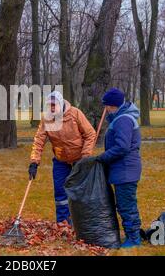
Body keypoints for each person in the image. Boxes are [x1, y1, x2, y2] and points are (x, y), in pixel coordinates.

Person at [29, 91, 96, 224]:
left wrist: (85, 156)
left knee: (79, 190)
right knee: (60, 191)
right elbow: (39, 140)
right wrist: (34, 162)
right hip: (60, 159)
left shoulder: (75, 114)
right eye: (49, 106)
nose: (52, 108)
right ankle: (63, 222)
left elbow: (90, 134)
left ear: (61, 104)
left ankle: (81, 221)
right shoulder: (47, 118)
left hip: (79, 158)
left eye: (54, 105)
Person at [93, 88, 142, 248]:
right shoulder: (120, 118)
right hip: (123, 169)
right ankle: (132, 235)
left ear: (112, 105)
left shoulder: (123, 120)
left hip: (126, 170)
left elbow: (122, 147)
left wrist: (102, 158)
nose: (105, 109)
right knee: (124, 204)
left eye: (106, 105)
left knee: (126, 205)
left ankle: (133, 239)